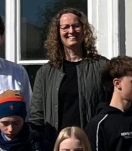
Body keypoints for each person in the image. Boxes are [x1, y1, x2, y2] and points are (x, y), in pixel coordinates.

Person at [29, 8, 108, 139]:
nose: (71, 31)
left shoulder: (102, 66)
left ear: (84, 30)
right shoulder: (46, 72)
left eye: (76, 26)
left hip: (92, 144)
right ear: (57, 33)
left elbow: (112, 107)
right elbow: (37, 116)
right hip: (56, 145)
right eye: (65, 27)